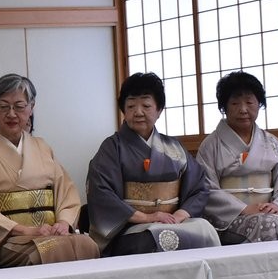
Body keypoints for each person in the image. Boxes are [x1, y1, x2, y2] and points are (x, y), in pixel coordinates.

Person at [0, 74, 100, 267]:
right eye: (3, 106)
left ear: (31, 107)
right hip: (9, 239)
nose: (11, 114)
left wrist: (63, 223)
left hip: (50, 232)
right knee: (46, 251)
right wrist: (24, 230)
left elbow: (66, 191)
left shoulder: (42, 147)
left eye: (19, 106)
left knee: (86, 245)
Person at [86, 72, 219, 255]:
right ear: (123, 110)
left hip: (172, 220)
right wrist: (147, 217)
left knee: (204, 230)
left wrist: (179, 215)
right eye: (131, 106)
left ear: (159, 110)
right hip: (130, 226)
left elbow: (199, 187)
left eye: (146, 106)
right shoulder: (112, 148)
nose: (138, 112)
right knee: (150, 240)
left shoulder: (174, 147)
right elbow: (100, 192)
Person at [196, 71, 278, 243]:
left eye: (249, 102)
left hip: (269, 210)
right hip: (230, 218)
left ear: (259, 104)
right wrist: (243, 209)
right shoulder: (211, 145)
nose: (243, 110)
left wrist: (276, 205)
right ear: (224, 107)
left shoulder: (271, 142)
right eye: (235, 103)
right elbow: (206, 188)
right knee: (265, 226)